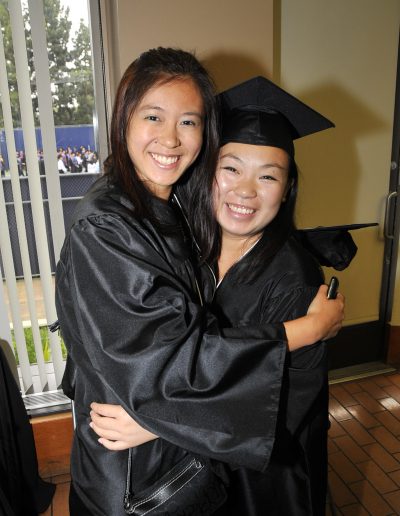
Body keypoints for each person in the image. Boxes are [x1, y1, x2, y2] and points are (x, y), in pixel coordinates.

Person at [55, 49, 344, 516]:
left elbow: (287, 407)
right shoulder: (129, 227)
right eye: (231, 168)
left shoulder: (291, 279)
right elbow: (155, 360)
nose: (245, 190)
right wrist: (306, 330)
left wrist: (162, 423)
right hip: (146, 483)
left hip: (257, 485)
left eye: (268, 176)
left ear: (287, 187)